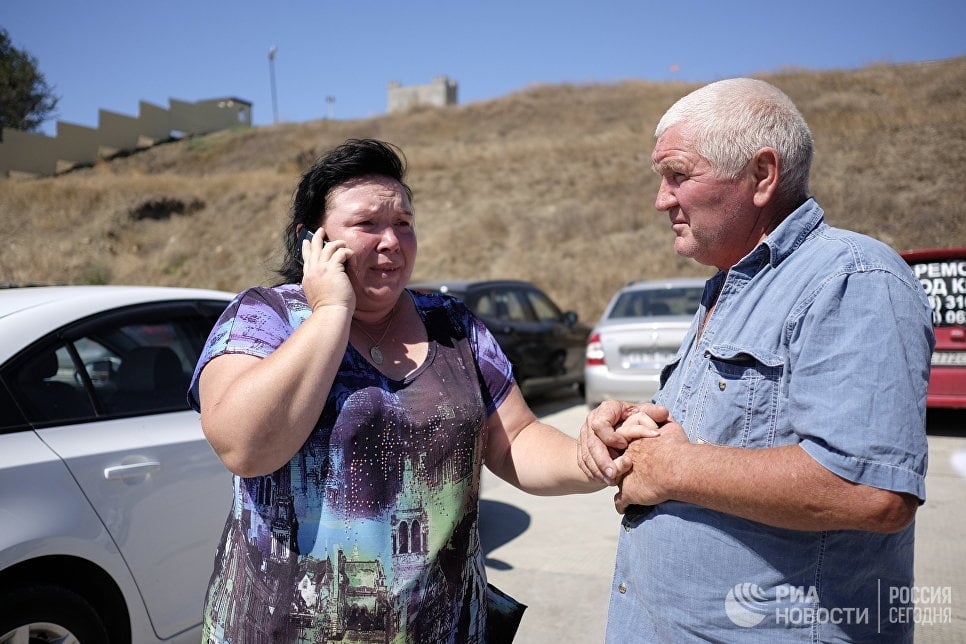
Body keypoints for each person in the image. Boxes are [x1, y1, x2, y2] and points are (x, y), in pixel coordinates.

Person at [189, 138, 633, 643]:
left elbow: (517, 438)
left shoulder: (452, 325)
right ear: (311, 239)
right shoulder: (264, 317)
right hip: (283, 629)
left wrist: (590, 456)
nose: (391, 241)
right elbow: (243, 446)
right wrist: (332, 312)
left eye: (403, 223)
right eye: (367, 224)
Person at [578, 78, 934, 642]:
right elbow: (732, 425)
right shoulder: (730, 283)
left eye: (678, 174)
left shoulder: (852, 278)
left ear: (762, 176)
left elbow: (873, 491)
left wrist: (671, 469)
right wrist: (632, 422)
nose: (661, 199)